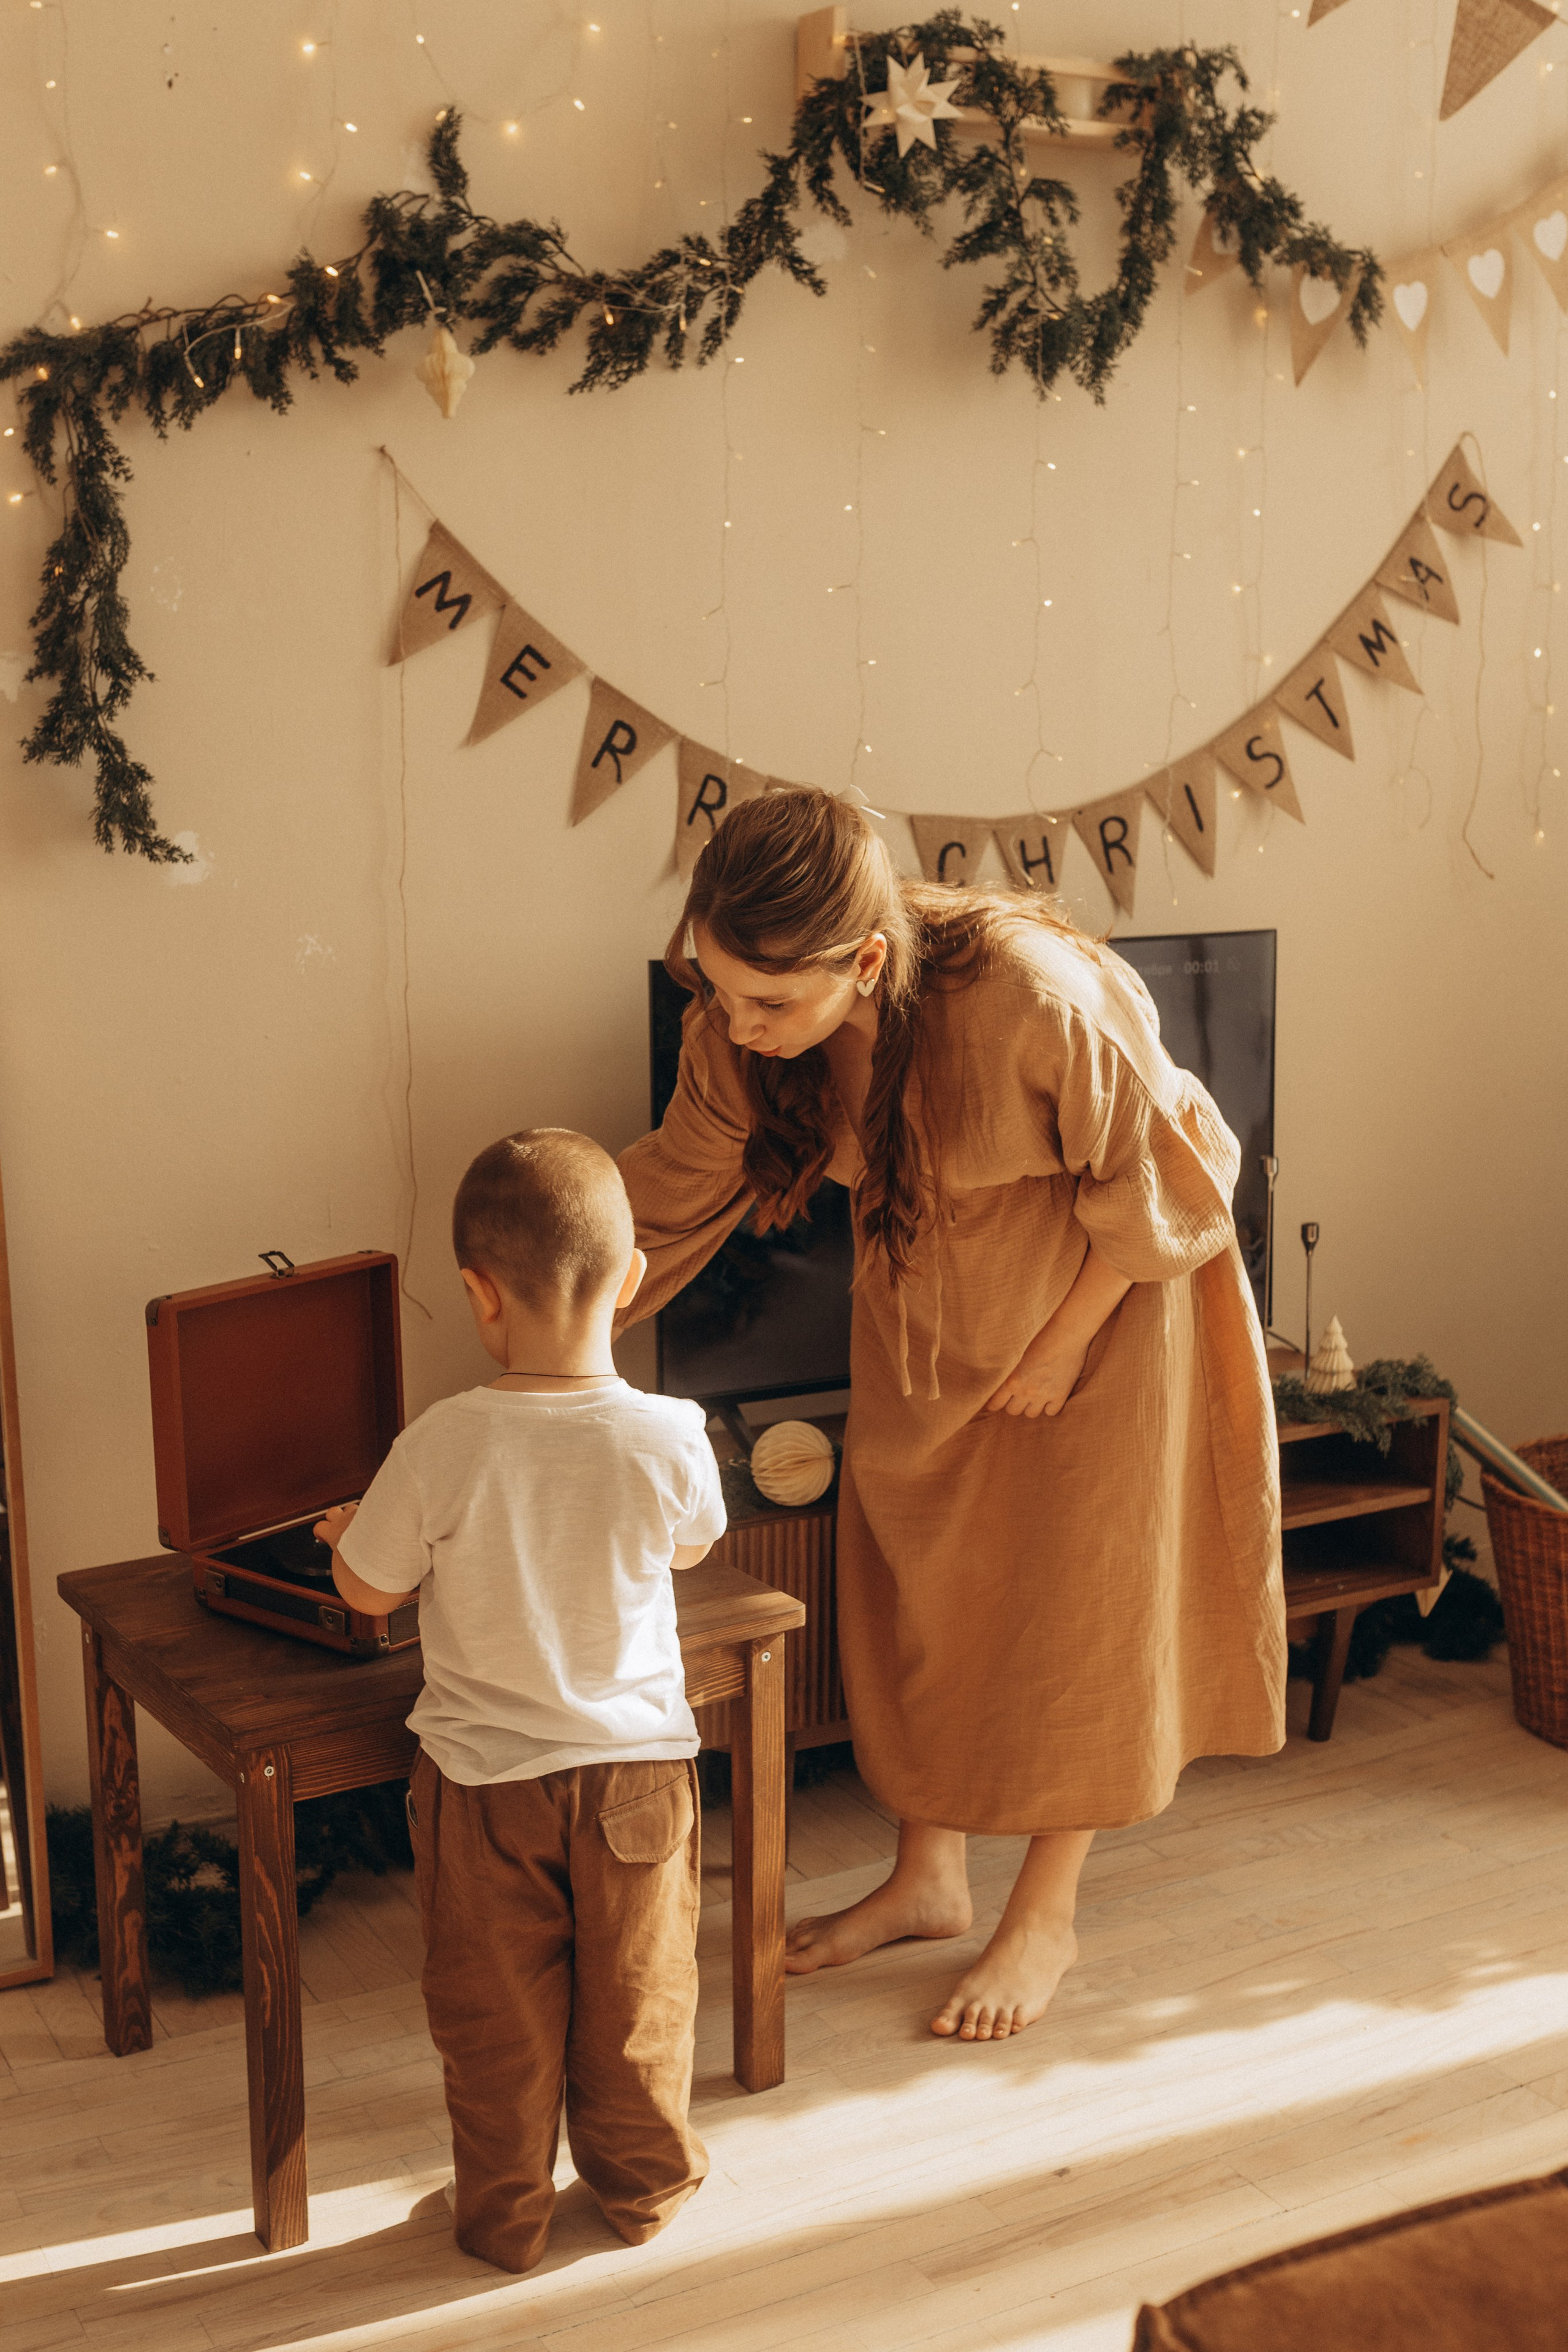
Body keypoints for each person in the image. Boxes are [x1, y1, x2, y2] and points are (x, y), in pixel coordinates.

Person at [617, 790, 1285, 2046]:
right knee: (923, 1588)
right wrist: (545, 1295)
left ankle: (1045, 1907)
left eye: (766, 1004)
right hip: (929, 1315)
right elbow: (673, 1187)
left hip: (1104, 1309)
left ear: (864, 961)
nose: (734, 1028)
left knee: (1069, 1602)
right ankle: (928, 1879)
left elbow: (1165, 1177)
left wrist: (1058, 1345)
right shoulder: (740, 1030)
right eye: (714, 991)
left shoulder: (1032, 997)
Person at [314, 1128, 725, 2275]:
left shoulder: (439, 1444)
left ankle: (503, 2220)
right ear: (632, 1279)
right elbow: (692, 1549)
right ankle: (646, 2188)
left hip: (486, 1792)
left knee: (496, 2018)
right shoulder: (671, 1435)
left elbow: (368, 1593)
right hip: (639, 1774)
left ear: (478, 1294)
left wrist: (358, 1536)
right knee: (642, 1995)